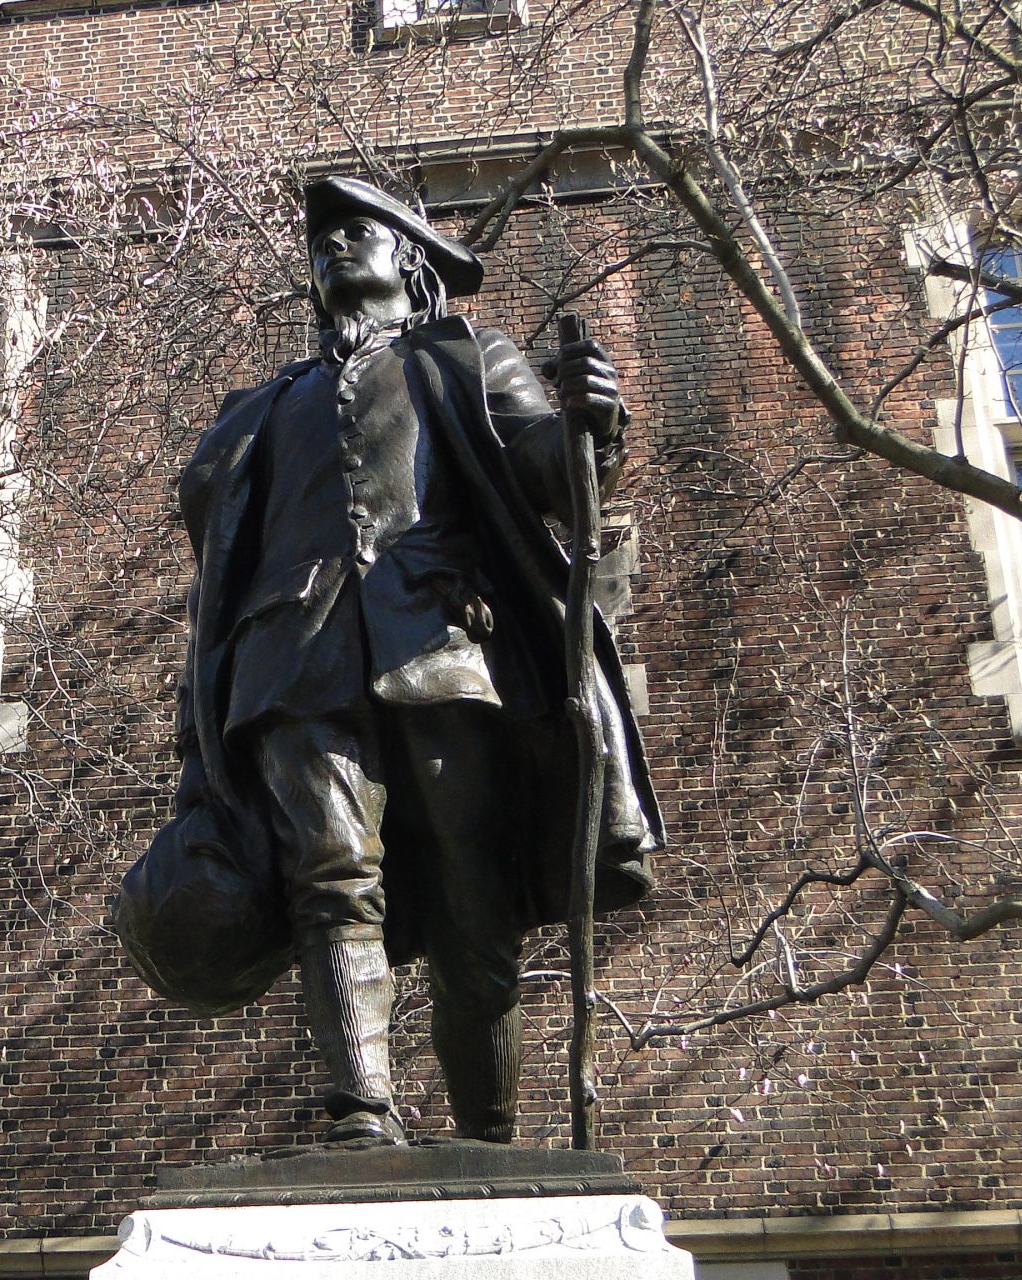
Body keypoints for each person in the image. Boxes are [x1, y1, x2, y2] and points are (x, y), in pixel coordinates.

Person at [168, 175, 662, 1145]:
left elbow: (546, 473)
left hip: (441, 644)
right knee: (331, 870)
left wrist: (590, 428)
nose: (334, 248)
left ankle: (487, 1132)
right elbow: (217, 562)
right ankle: (360, 1111)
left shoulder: (468, 358)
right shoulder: (264, 410)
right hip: (294, 662)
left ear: (412, 261)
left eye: (359, 231)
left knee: (474, 908)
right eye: (323, 240)